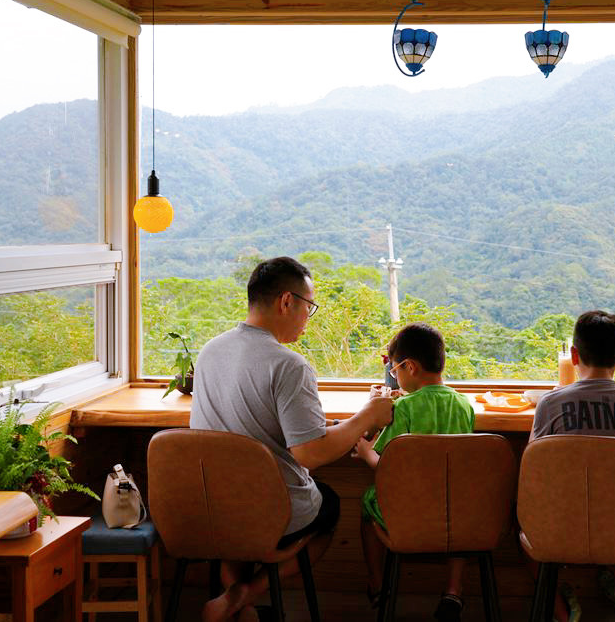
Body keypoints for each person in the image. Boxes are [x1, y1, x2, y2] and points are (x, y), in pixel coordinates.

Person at [190, 256, 394, 622]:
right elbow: (311, 453)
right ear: (287, 302)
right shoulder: (288, 365)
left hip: (212, 506)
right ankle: (242, 596)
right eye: (309, 307)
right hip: (271, 512)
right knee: (329, 506)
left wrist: (333, 424)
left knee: (235, 526)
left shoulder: (210, 351)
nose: (307, 317)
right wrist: (367, 416)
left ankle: (238, 605)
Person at [528, 310, 615, 622]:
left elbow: (533, 469)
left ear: (574, 355)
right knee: (614, 508)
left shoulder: (550, 403)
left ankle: (559, 609)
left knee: (521, 513)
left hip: (561, 527)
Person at [353, 322, 476, 622]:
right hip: (455, 513)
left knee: (367, 505)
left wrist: (366, 449)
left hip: (408, 514)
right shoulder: (464, 405)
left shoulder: (404, 407)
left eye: (394, 371)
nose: (394, 376)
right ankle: (453, 590)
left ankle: (377, 583)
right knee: (460, 508)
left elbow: (389, 467)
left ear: (409, 366)